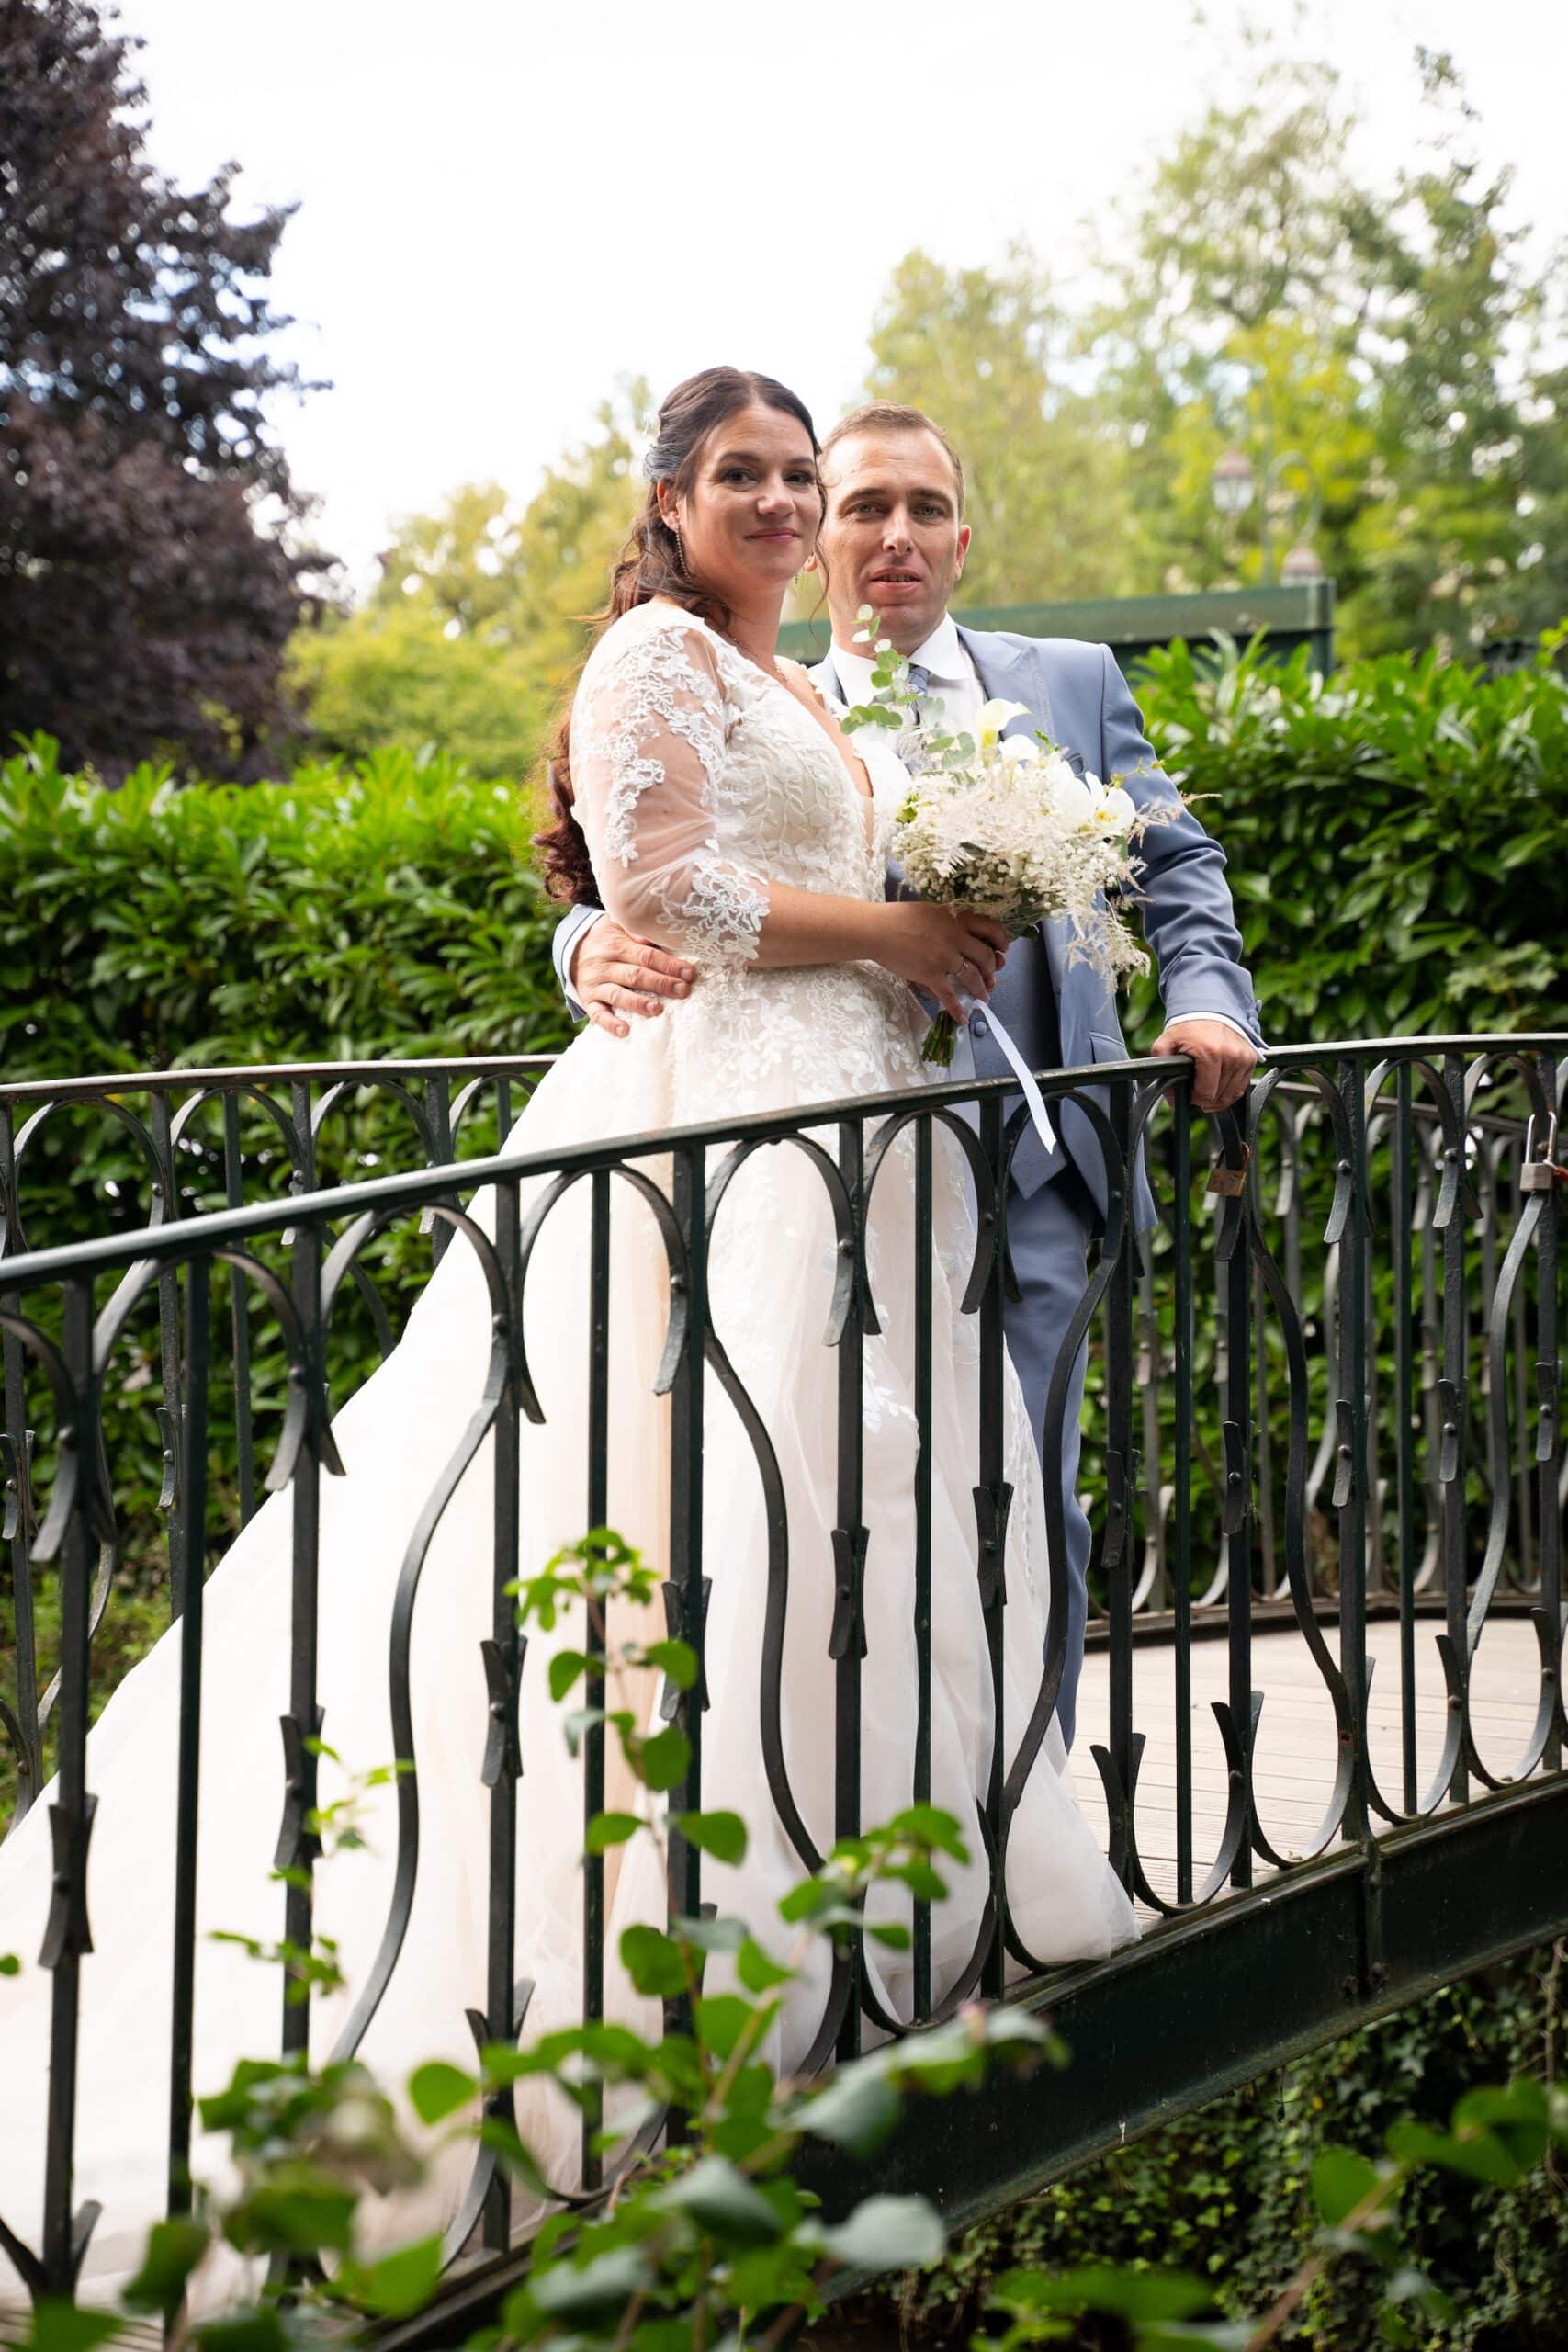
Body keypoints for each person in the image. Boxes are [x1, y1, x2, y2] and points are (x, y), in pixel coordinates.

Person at [0, 368, 1135, 2311]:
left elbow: (731, 870)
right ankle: (654, 1942)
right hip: (727, 1138)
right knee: (676, 1510)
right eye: (747, 476)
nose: (786, 503)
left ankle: (854, 1898)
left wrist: (932, 949)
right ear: (675, 499)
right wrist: (891, 943)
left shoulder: (808, 688)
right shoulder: (653, 651)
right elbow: (666, 888)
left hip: (867, 1132)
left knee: (855, 1505)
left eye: (803, 475)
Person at [549, 401, 1263, 1748]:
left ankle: (1024, 1798)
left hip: (1037, 1157)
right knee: (834, 1497)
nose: (894, 535)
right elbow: (637, 860)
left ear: (963, 537)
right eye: (866, 505)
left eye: (924, 508)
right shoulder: (765, 687)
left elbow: (1176, 863)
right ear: (823, 538)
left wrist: (1209, 1001)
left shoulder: (1068, 680)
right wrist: (583, 943)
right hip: (824, 1156)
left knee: (1021, 1490)